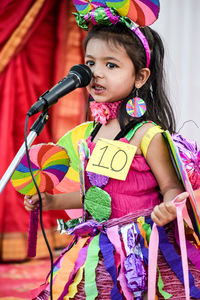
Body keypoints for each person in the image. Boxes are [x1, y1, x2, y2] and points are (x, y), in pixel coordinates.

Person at [24, 2, 200, 299]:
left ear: (140, 77)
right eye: (90, 63)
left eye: (111, 65)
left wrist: (168, 207)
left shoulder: (147, 134)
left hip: (141, 249)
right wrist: (50, 201)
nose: (97, 73)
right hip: (100, 245)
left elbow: (171, 187)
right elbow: (97, 195)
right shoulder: (91, 133)